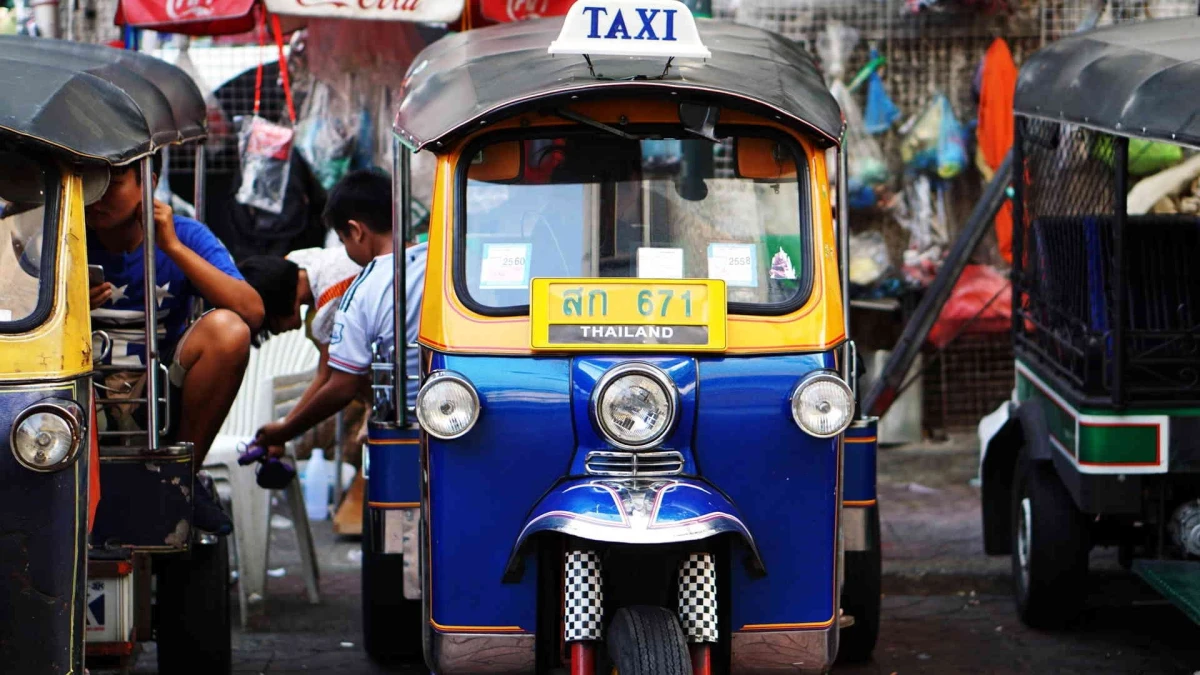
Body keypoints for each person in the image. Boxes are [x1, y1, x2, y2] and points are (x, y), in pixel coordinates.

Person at [87, 153, 264, 535]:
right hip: (79, 385)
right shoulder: (62, 235)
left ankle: (183, 476)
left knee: (229, 331)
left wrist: (172, 248)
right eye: (90, 181)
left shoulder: (184, 234)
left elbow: (251, 312)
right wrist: (67, 305)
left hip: (159, 384)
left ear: (148, 183)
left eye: (113, 182)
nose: (97, 196)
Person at [254, 169, 427, 453]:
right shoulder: (441, 259)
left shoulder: (361, 293)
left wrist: (286, 429)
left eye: (343, 240)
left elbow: (342, 385)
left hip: (406, 430)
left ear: (356, 231)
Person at [237, 244, 362, 434]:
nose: (277, 332)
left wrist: (285, 428)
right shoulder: (295, 261)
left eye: (270, 325)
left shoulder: (329, 303)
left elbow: (329, 378)